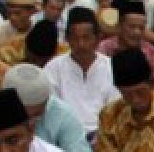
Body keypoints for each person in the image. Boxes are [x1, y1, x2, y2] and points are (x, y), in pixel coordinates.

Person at [43, 7, 118, 135]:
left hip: (106, 134)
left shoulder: (112, 67)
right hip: (66, 136)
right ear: (67, 39)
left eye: (86, 38)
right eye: (75, 38)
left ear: (98, 38)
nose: (81, 44)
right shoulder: (53, 68)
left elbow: (116, 109)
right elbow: (52, 112)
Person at [98, 0, 154, 91]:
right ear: (119, 26)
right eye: (132, 27)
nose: (137, 32)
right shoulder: (104, 48)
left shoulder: (152, 53)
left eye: (141, 28)